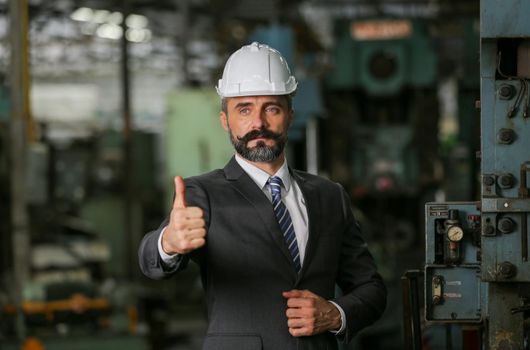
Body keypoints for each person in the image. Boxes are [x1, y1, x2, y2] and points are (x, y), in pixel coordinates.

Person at [138, 42, 386, 350]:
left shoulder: (330, 196)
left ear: (290, 116)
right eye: (244, 109)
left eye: (271, 108)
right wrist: (168, 243)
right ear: (225, 121)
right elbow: (150, 261)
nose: (258, 123)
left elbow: (371, 288)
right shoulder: (201, 194)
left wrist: (334, 314)